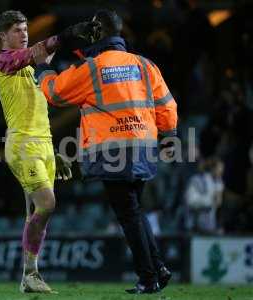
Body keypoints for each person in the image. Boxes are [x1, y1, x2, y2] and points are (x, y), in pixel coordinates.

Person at [33, 9, 177, 294]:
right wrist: (169, 133)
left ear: (97, 32)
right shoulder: (144, 64)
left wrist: (42, 69)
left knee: (128, 214)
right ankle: (158, 268)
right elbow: (167, 106)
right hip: (144, 146)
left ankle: (148, 277)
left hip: (112, 150)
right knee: (135, 210)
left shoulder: (93, 68)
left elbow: (56, 93)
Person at [0, 10, 72, 293]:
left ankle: (30, 276)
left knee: (36, 212)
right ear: (3, 35)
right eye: (16, 30)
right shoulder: (3, 62)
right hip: (22, 145)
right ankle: (30, 275)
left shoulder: (31, 66)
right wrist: (62, 36)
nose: (23, 34)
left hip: (44, 144)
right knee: (47, 204)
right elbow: (37, 52)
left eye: (25, 29)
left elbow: (44, 55)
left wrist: (55, 150)